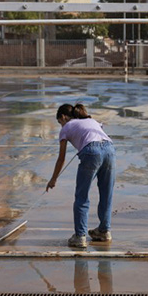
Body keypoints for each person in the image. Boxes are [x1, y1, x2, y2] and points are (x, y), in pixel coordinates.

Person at [47, 103, 116, 248]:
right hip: (110, 149)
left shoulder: (66, 127)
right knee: (106, 194)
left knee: (82, 196)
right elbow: (98, 132)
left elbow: (61, 158)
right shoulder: (91, 120)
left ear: (64, 117)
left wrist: (53, 179)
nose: (61, 126)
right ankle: (104, 230)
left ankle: (80, 236)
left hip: (91, 152)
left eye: (60, 122)